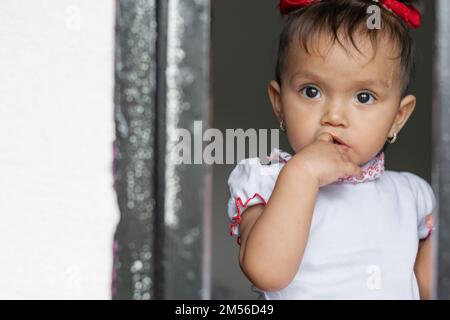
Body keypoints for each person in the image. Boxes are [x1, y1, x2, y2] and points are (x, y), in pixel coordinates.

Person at [226, 0, 435, 299]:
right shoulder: (266, 180)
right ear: (279, 103)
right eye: (311, 91)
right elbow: (266, 272)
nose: (334, 117)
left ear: (397, 118)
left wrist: (437, 244)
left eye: (364, 97)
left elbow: (426, 289)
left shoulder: (413, 195)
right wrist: (303, 173)